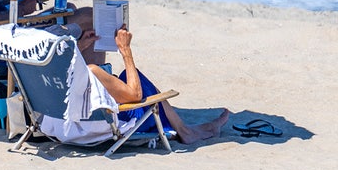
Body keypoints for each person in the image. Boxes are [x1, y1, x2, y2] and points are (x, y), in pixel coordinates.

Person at [81, 25, 229, 145]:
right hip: (122, 124)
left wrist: (80, 46)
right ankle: (185, 131)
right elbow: (135, 95)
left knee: (124, 79)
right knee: (131, 75)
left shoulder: (63, 75)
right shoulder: (92, 71)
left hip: (79, 128)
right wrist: (125, 50)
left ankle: (184, 129)